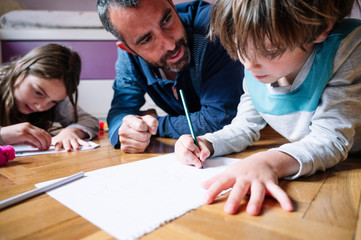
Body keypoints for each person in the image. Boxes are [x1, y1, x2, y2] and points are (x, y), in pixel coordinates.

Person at [175, 0, 361, 216]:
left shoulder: (347, 51)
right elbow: (245, 126)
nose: (248, 64)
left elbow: (330, 139)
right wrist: (206, 143)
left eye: (270, 51)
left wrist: (268, 162)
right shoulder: (256, 66)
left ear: (320, 29)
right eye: (239, 48)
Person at [97, 0, 244, 152]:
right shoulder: (129, 59)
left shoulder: (213, 27)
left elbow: (220, 118)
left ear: (173, 6)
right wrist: (126, 130)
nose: (170, 45)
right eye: (147, 39)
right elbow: (120, 110)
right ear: (129, 50)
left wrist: (153, 125)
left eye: (166, 20)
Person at [0, 44, 99, 152]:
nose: (42, 106)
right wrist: (2, 135)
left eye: (54, 101)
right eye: (38, 92)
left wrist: (72, 131)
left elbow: (89, 120)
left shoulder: (54, 100)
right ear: (20, 67)